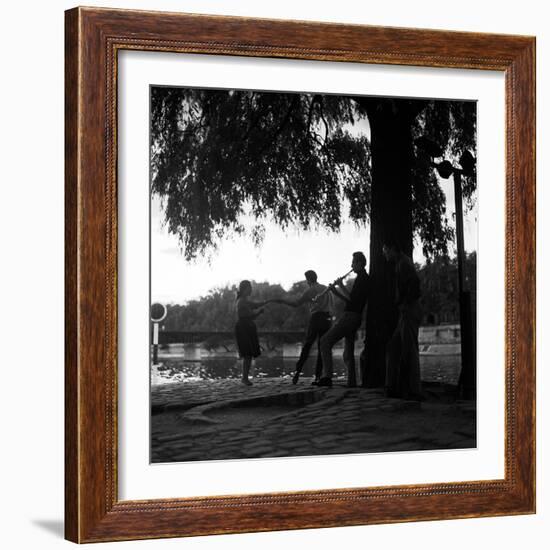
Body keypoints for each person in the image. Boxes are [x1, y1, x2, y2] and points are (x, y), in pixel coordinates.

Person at [318, 252, 370, 388]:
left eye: (353, 262)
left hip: (351, 317)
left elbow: (352, 301)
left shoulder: (363, 279)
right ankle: (351, 382)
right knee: (348, 352)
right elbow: (352, 297)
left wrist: (336, 291)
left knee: (324, 342)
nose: (351, 265)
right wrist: (340, 286)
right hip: (353, 317)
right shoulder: (361, 278)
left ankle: (327, 377)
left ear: (359, 263)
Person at [272, 270, 332, 385]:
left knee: (307, 345)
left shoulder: (310, 290)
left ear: (308, 280)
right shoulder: (326, 289)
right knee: (322, 347)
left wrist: (281, 301)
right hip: (327, 319)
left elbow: (296, 303)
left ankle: (297, 373)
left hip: (316, 318)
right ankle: (318, 377)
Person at [382, 240, 422, 399]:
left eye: (385, 250)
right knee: (394, 347)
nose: (384, 253)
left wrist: (405, 304)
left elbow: (414, 285)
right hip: (406, 310)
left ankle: (414, 391)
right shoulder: (401, 263)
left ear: (392, 248)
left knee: (410, 349)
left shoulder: (403, 263)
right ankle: (393, 386)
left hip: (409, 310)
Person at [234, 280, 270, 386]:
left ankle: (245, 378)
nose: (251, 290)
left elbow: (255, 305)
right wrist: (259, 312)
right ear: (245, 289)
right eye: (249, 287)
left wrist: (265, 302)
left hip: (246, 328)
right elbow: (250, 315)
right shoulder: (241, 301)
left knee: (248, 354)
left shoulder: (244, 300)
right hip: (243, 328)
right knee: (247, 353)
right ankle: (244, 378)